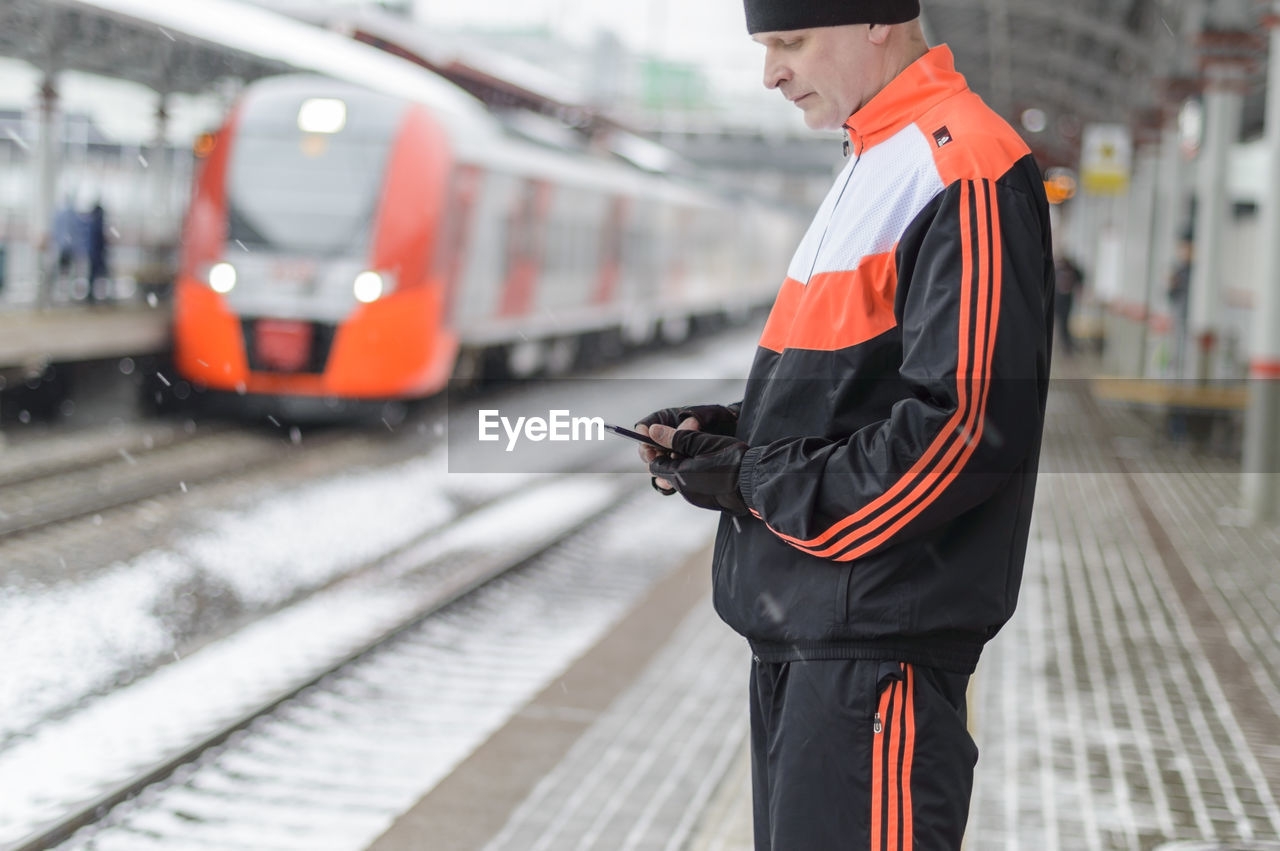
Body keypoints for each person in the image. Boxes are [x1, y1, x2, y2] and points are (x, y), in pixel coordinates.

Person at [634, 3, 1054, 848]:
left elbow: (961, 429)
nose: (771, 74)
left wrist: (755, 480)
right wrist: (724, 436)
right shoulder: (876, 160)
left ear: (875, 19)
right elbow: (852, 395)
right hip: (816, 648)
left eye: (789, 42)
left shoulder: (961, 165)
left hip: (874, 661)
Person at [1053, 249, 1085, 356]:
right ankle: (1063, 343)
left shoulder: (1073, 270)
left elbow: (1080, 278)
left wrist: (1078, 290)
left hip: (1067, 300)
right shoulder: (1057, 270)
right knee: (1059, 323)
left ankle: (1066, 344)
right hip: (1058, 300)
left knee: (1064, 323)